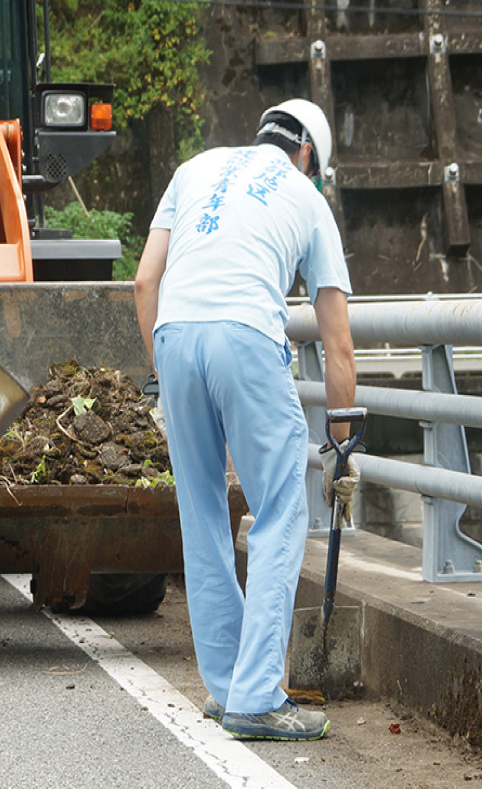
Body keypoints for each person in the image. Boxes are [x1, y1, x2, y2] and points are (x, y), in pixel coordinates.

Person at [133, 98, 356, 742]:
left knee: (201, 516)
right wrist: (341, 447)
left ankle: (229, 687)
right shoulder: (306, 197)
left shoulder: (194, 168)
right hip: (247, 337)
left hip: (174, 337)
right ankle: (258, 697)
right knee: (281, 510)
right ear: (307, 154)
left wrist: (166, 375)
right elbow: (338, 344)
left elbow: (145, 282)